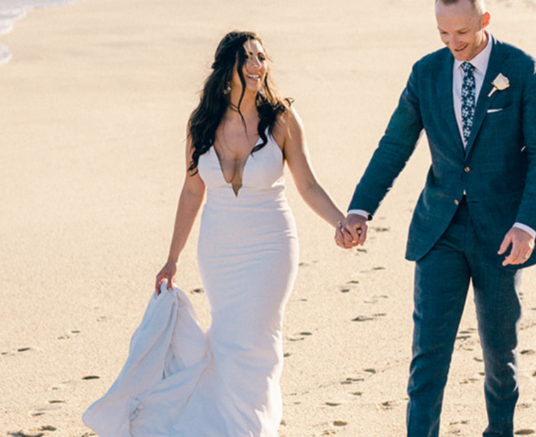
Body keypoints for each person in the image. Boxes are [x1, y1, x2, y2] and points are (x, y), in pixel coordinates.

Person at [84, 31, 353, 437]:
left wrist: (340, 220)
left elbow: (308, 185)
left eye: (261, 57)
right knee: (228, 338)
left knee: (256, 339)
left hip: (271, 247)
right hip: (220, 249)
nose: (256, 65)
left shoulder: (281, 118)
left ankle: (253, 427)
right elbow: (193, 190)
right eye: (247, 57)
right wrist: (173, 258)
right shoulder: (202, 124)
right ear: (227, 66)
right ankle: (227, 424)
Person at [337, 0, 536, 437]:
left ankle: (499, 431)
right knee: (428, 355)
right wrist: (361, 209)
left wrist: (527, 224)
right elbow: (394, 145)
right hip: (440, 229)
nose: (452, 43)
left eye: (462, 33)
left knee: (501, 354)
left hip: (503, 232)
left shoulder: (522, 70)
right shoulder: (426, 73)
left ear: (484, 20)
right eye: (443, 34)